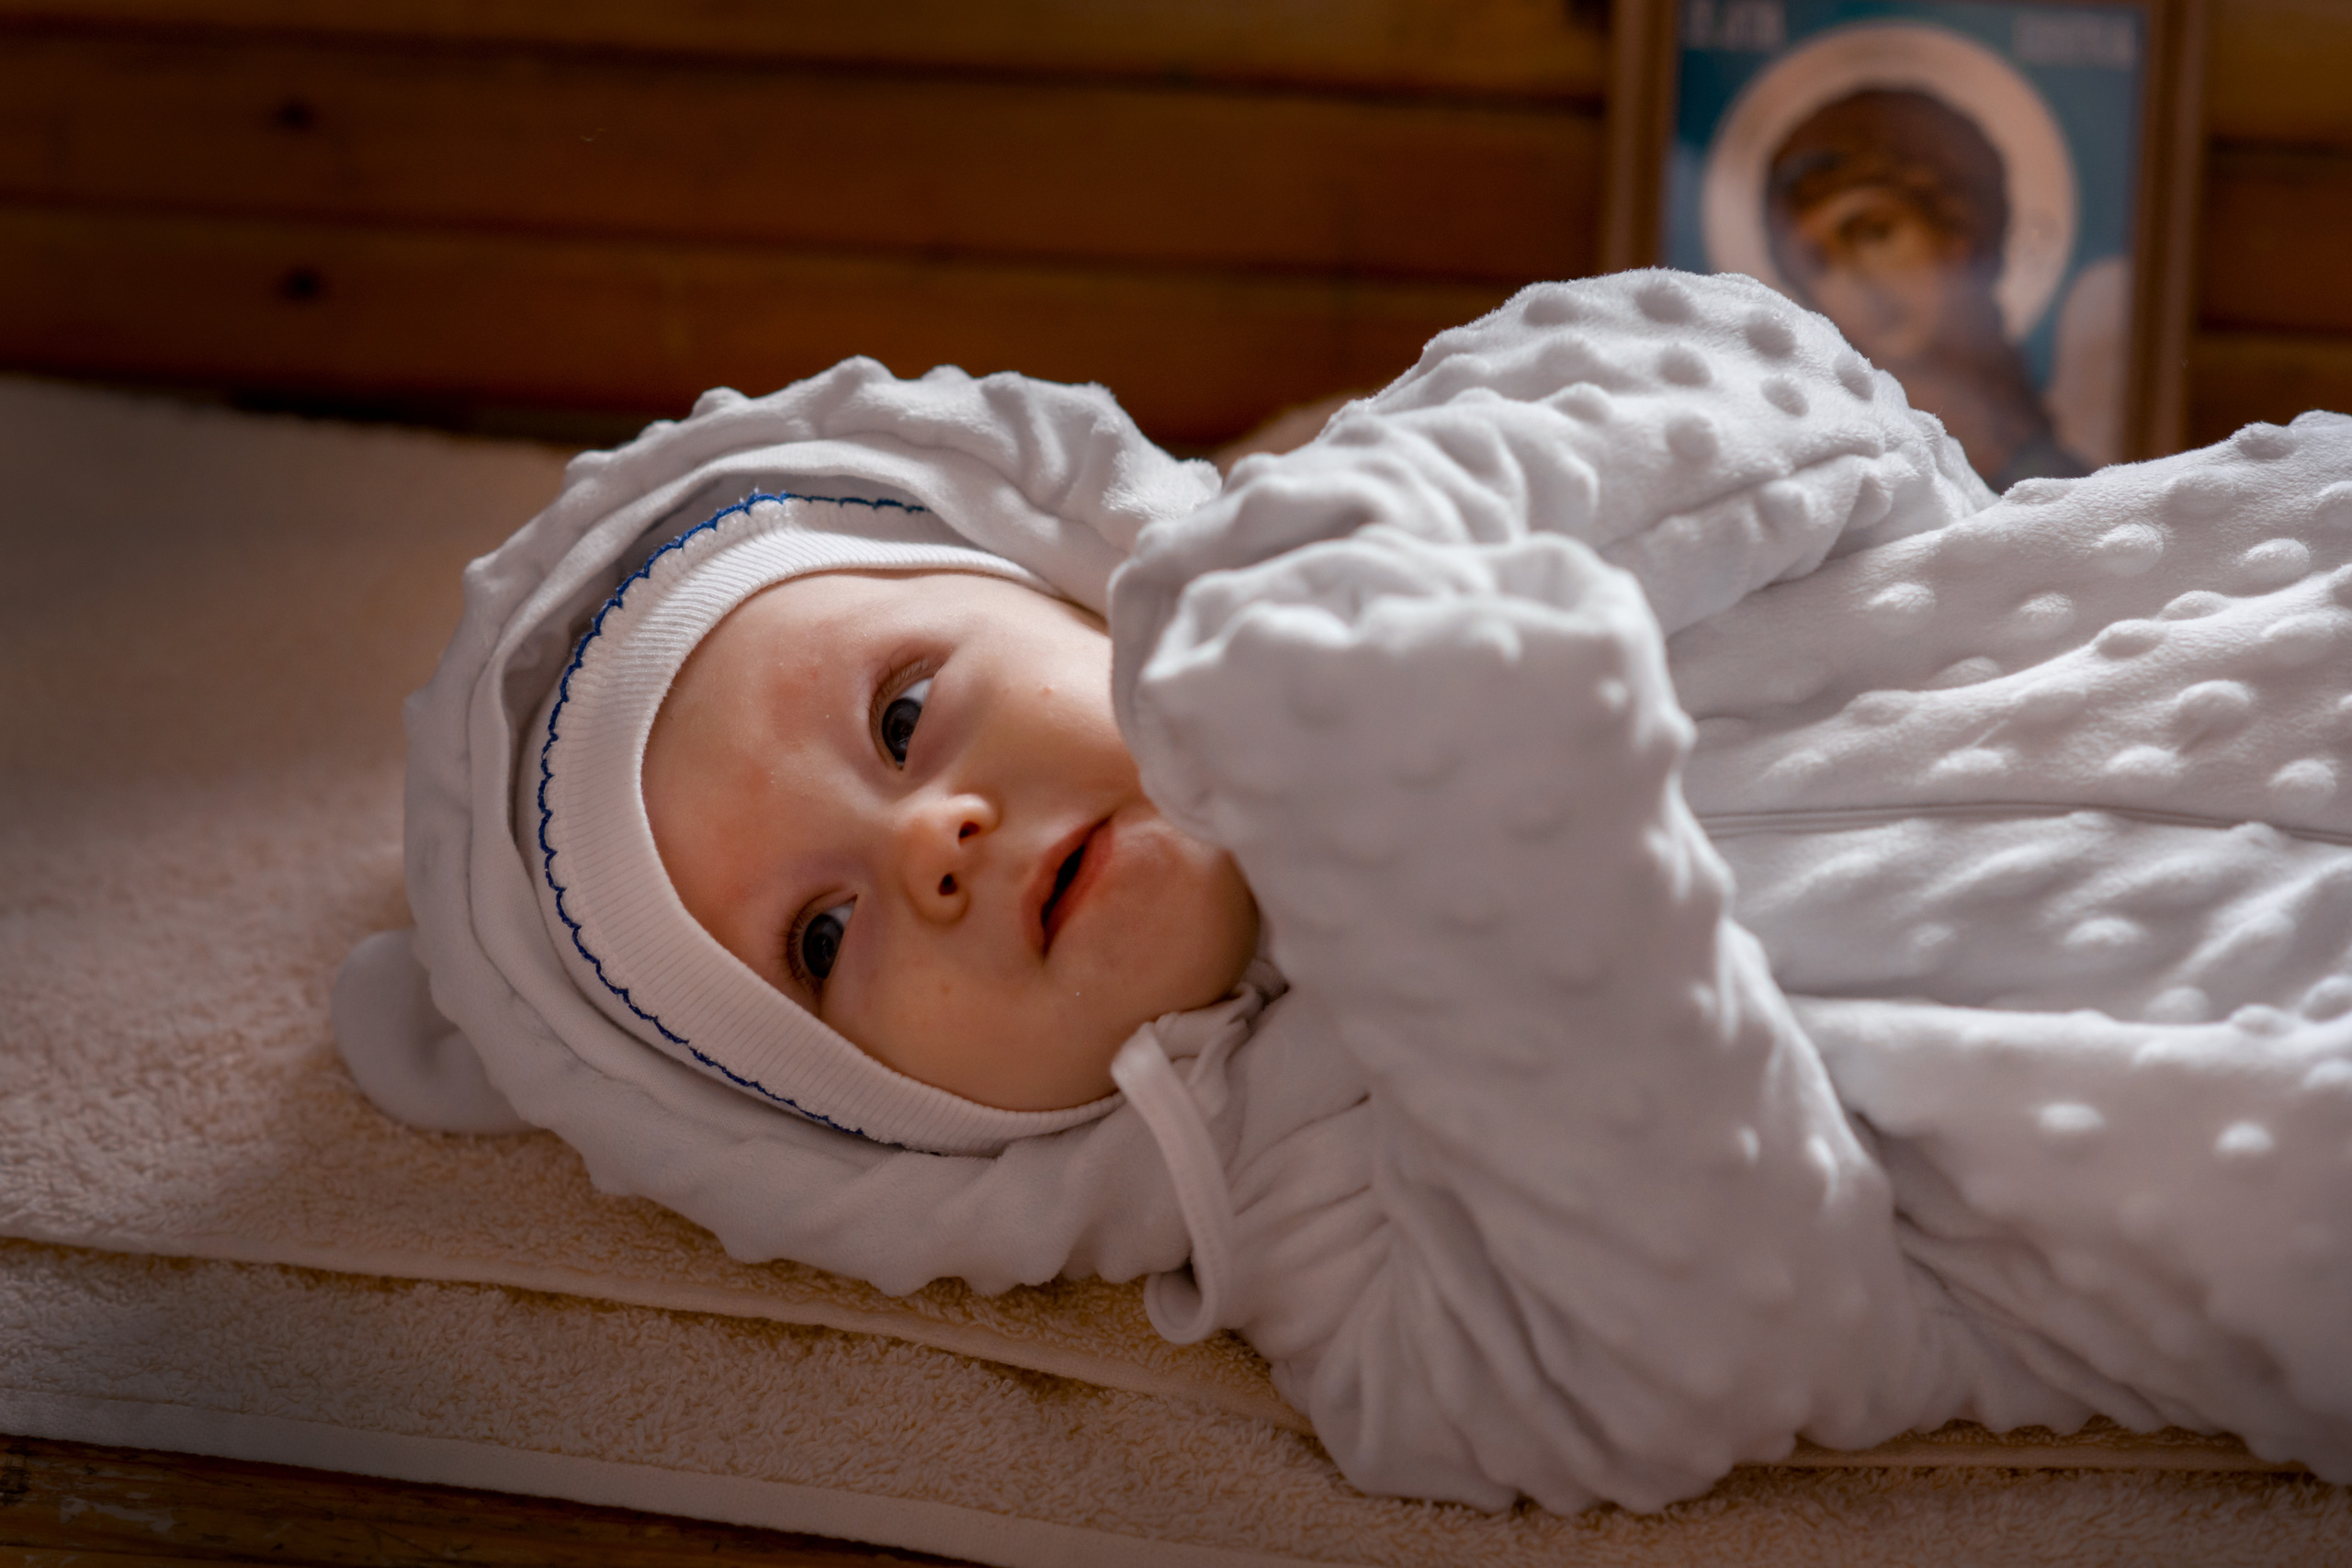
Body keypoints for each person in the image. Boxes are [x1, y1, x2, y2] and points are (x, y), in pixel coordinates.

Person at [336, 269, 2352, 1514]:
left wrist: (1358, 545)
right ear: (878, 1131)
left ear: (1067, 575)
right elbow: (1721, 1330)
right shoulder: (1344, 1263)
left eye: (902, 710)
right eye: (822, 940)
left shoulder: (1375, 522)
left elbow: (1796, 394)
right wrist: (1420, 782)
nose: (925, 840)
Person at [1764, 87, 2086, 487]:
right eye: (1819, 263)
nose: (1855, 282)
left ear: (1957, 234)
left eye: (1874, 233)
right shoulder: (1822, 482)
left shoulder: (2066, 487)